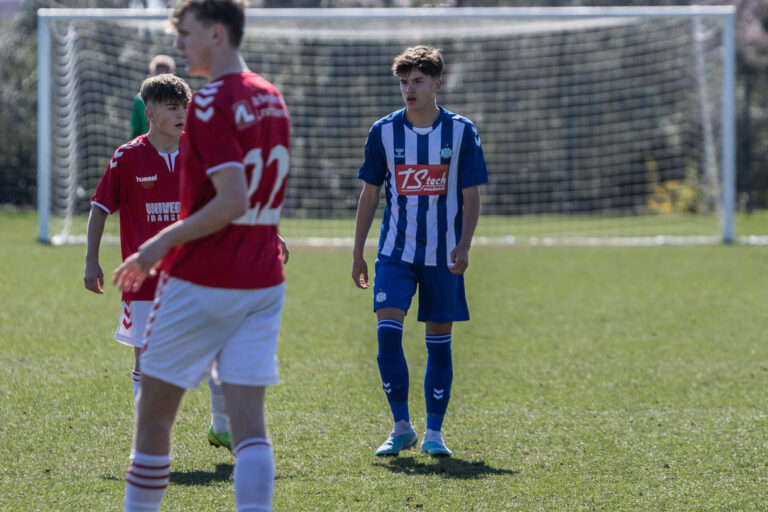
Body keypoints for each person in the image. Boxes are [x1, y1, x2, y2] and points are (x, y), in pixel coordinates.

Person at [113, 1, 290, 510]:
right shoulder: (273, 99)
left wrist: (158, 243)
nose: (177, 44)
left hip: (205, 278)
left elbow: (232, 201)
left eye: (184, 33)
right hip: (262, 281)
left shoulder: (210, 105)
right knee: (250, 427)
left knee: (153, 419)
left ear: (216, 34)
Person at [85, 73, 237, 452]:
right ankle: (147, 442)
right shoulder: (128, 156)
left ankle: (221, 426)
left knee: (223, 348)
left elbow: (230, 200)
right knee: (146, 360)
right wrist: (91, 260)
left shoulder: (200, 151)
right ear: (150, 113)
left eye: (184, 106)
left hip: (197, 274)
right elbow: (100, 209)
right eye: (172, 108)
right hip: (145, 279)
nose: (182, 114)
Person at [351, 45, 488, 458]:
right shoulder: (383, 132)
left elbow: (471, 195)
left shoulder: (461, 131)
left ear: (436, 84)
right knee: (387, 339)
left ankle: (434, 432)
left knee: (438, 344)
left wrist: (464, 245)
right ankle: (400, 426)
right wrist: (358, 251)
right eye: (403, 82)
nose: (408, 90)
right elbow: (369, 194)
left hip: (443, 257)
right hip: (395, 252)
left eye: (417, 82)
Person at [131, 55, 176, 139]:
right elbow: (136, 129)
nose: (160, 79)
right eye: (158, 74)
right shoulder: (140, 99)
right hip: (146, 148)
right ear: (151, 74)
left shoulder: (179, 99)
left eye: (165, 74)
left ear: (173, 75)